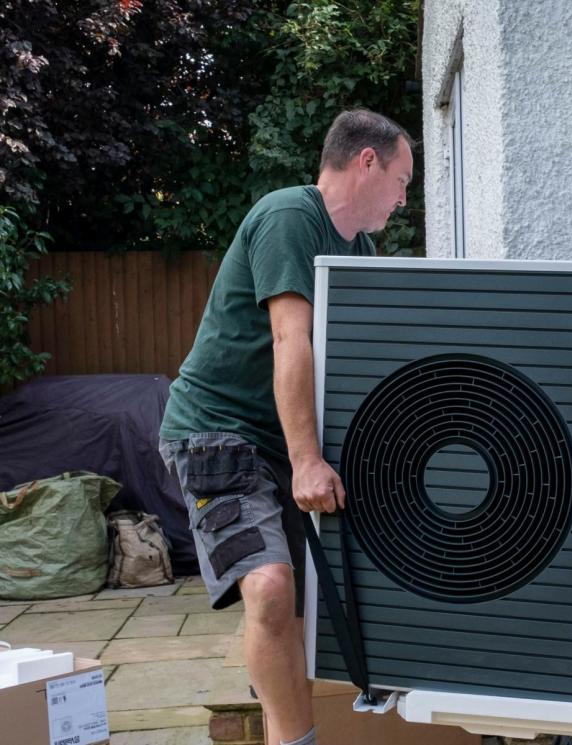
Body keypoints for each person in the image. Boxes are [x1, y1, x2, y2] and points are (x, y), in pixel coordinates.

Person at [159, 109, 413, 745]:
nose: (405, 200)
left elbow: (355, 363)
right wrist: (306, 461)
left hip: (279, 440)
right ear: (367, 162)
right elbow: (289, 337)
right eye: (404, 181)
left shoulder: (361, 247)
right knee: (271, 590)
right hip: (217, 434)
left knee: (310, 608)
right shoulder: (289, 217)